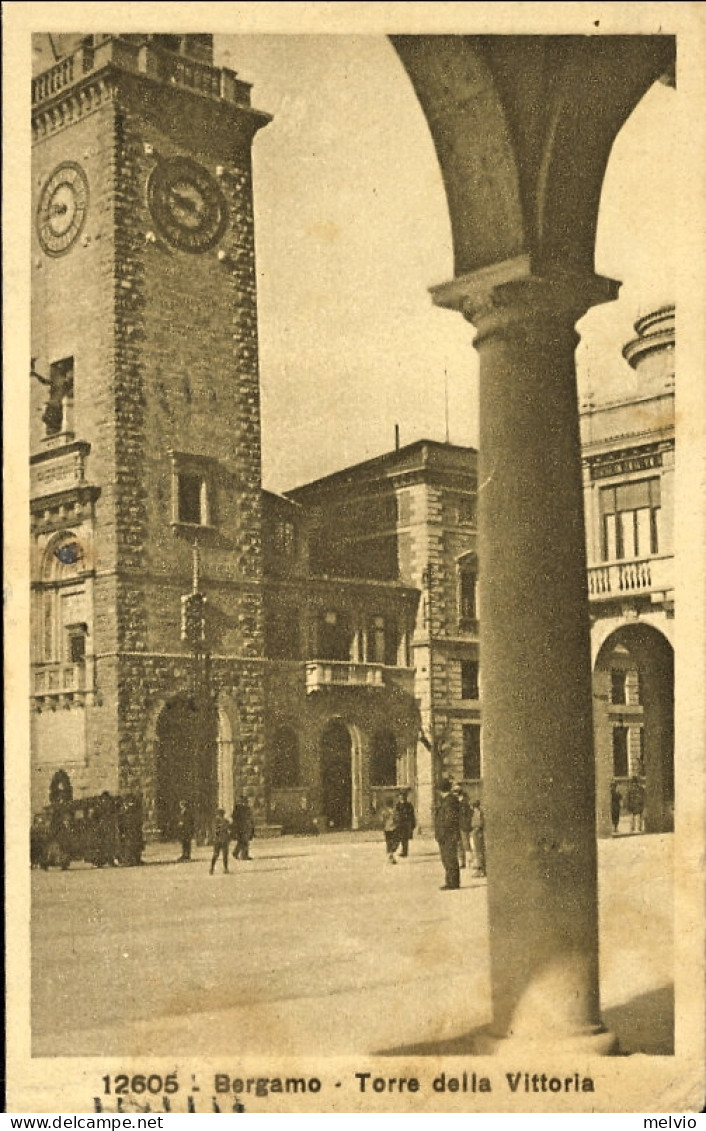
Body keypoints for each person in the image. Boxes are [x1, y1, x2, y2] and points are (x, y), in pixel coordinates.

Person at [435, 778, 461, 890]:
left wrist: (442, 833)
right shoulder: (448, 801)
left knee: (449, 858)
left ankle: (452, 883)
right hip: (447, 835)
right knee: (448, 858)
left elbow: (448, 820)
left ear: (440, 790)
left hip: (448, 836)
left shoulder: (449, 802)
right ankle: (451, 881)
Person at [394, 789, 416, 857]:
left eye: (403, 796)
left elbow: (412, 815)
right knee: (399, 838)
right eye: (401, 796)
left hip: (406, 824)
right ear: (399, 797)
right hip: (399, 824)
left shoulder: (409, 805)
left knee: (405, 839)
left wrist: (413, 824)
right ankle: (400, 851)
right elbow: (395, 815)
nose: (402, 797)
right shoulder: (397, 805)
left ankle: (404, 852)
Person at [455, 784, 472, 868]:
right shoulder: (456, 801)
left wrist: (468, 823)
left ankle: (469, 861)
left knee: (466, 843)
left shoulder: (465, 801)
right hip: (457, 825)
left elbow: (468, 814)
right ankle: (461, 861)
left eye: (456, 791)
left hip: (463, 825)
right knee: (459, 844)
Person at [210, 808, 231, 874]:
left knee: (222, 854)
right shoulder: (217, 821)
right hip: (220, 840)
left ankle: (224, 868)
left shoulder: (224, 821)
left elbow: (228, 830)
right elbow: (215, 831)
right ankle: (212, 868)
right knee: (217, 854)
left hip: (221, 840)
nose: (221, 816)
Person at [469, 799, 486, 877]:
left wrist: (475, 830)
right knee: (478, 851)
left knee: (479, 851)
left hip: (477, 833)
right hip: (476, 833)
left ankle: (481, 869)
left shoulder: (477, 813)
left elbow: (479, 824)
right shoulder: (478, 813)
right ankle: (481, 868)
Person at [381, 797, 400, 864]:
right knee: (395, 841)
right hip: (393, 828)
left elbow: (382, 821)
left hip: (387, 829)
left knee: (389, 842)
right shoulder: (394, 811)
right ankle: (391, 856)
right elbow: (397, 819)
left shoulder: (385, 812)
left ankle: (391, 856)